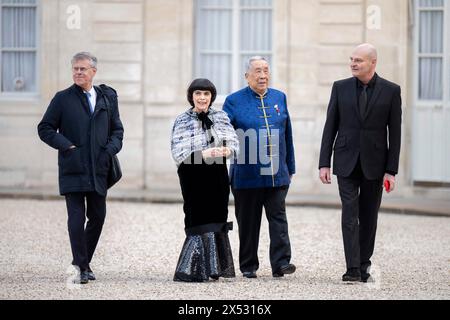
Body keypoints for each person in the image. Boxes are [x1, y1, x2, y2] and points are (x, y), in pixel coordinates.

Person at [38, 52, 124, 284]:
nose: (78, 72)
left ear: (93, 71)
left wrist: (109, 150)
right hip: (73, 166)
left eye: (82, 69)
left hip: (99, 167)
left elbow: (117, 130)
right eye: (75, 69)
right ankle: (82, 268)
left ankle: (81, 263)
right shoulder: (62, 99)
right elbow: (45, 128)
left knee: (98, 217)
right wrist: (67, 146)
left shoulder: (107, 98)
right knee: (75, 219)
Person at [318, 43, 402, 282]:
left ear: (373, 62)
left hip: (375, 163)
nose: (353, 63)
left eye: (359, 60)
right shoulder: (340, 87)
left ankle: (364, 263)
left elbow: (394, 134)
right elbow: (330, 126)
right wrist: (324, 162)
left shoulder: (391, 91)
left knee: (369, 216)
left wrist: (391, 171)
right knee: (349, 213)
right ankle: (352, 268)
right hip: (345, 160)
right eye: (351, 59)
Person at [223, 56, 296, 278]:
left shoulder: (279, 97)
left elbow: (287, 134)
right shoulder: (233, 101)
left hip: (276, 173)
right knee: (248, 222)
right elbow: (225, 135)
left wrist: (290, 167)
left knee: (278, 219)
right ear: (247, 76)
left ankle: (281, 263)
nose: (263, 75)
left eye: (266, 70)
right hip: (246, 174)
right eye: (257, 71)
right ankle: (248, 266)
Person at [171, 78, 239, 282]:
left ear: (212, 97)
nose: (202, 97)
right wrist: (204, 153)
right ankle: (193, 268)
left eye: (206, 94)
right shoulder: (182, 119)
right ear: (191, 96)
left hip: (216, 173)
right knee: (197, 215)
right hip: (192, 175)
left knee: (217, 214)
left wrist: (228, 149)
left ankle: (214, 267)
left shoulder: (221, 116)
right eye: (198, 93)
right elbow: (178, 151)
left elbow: (232, 140)